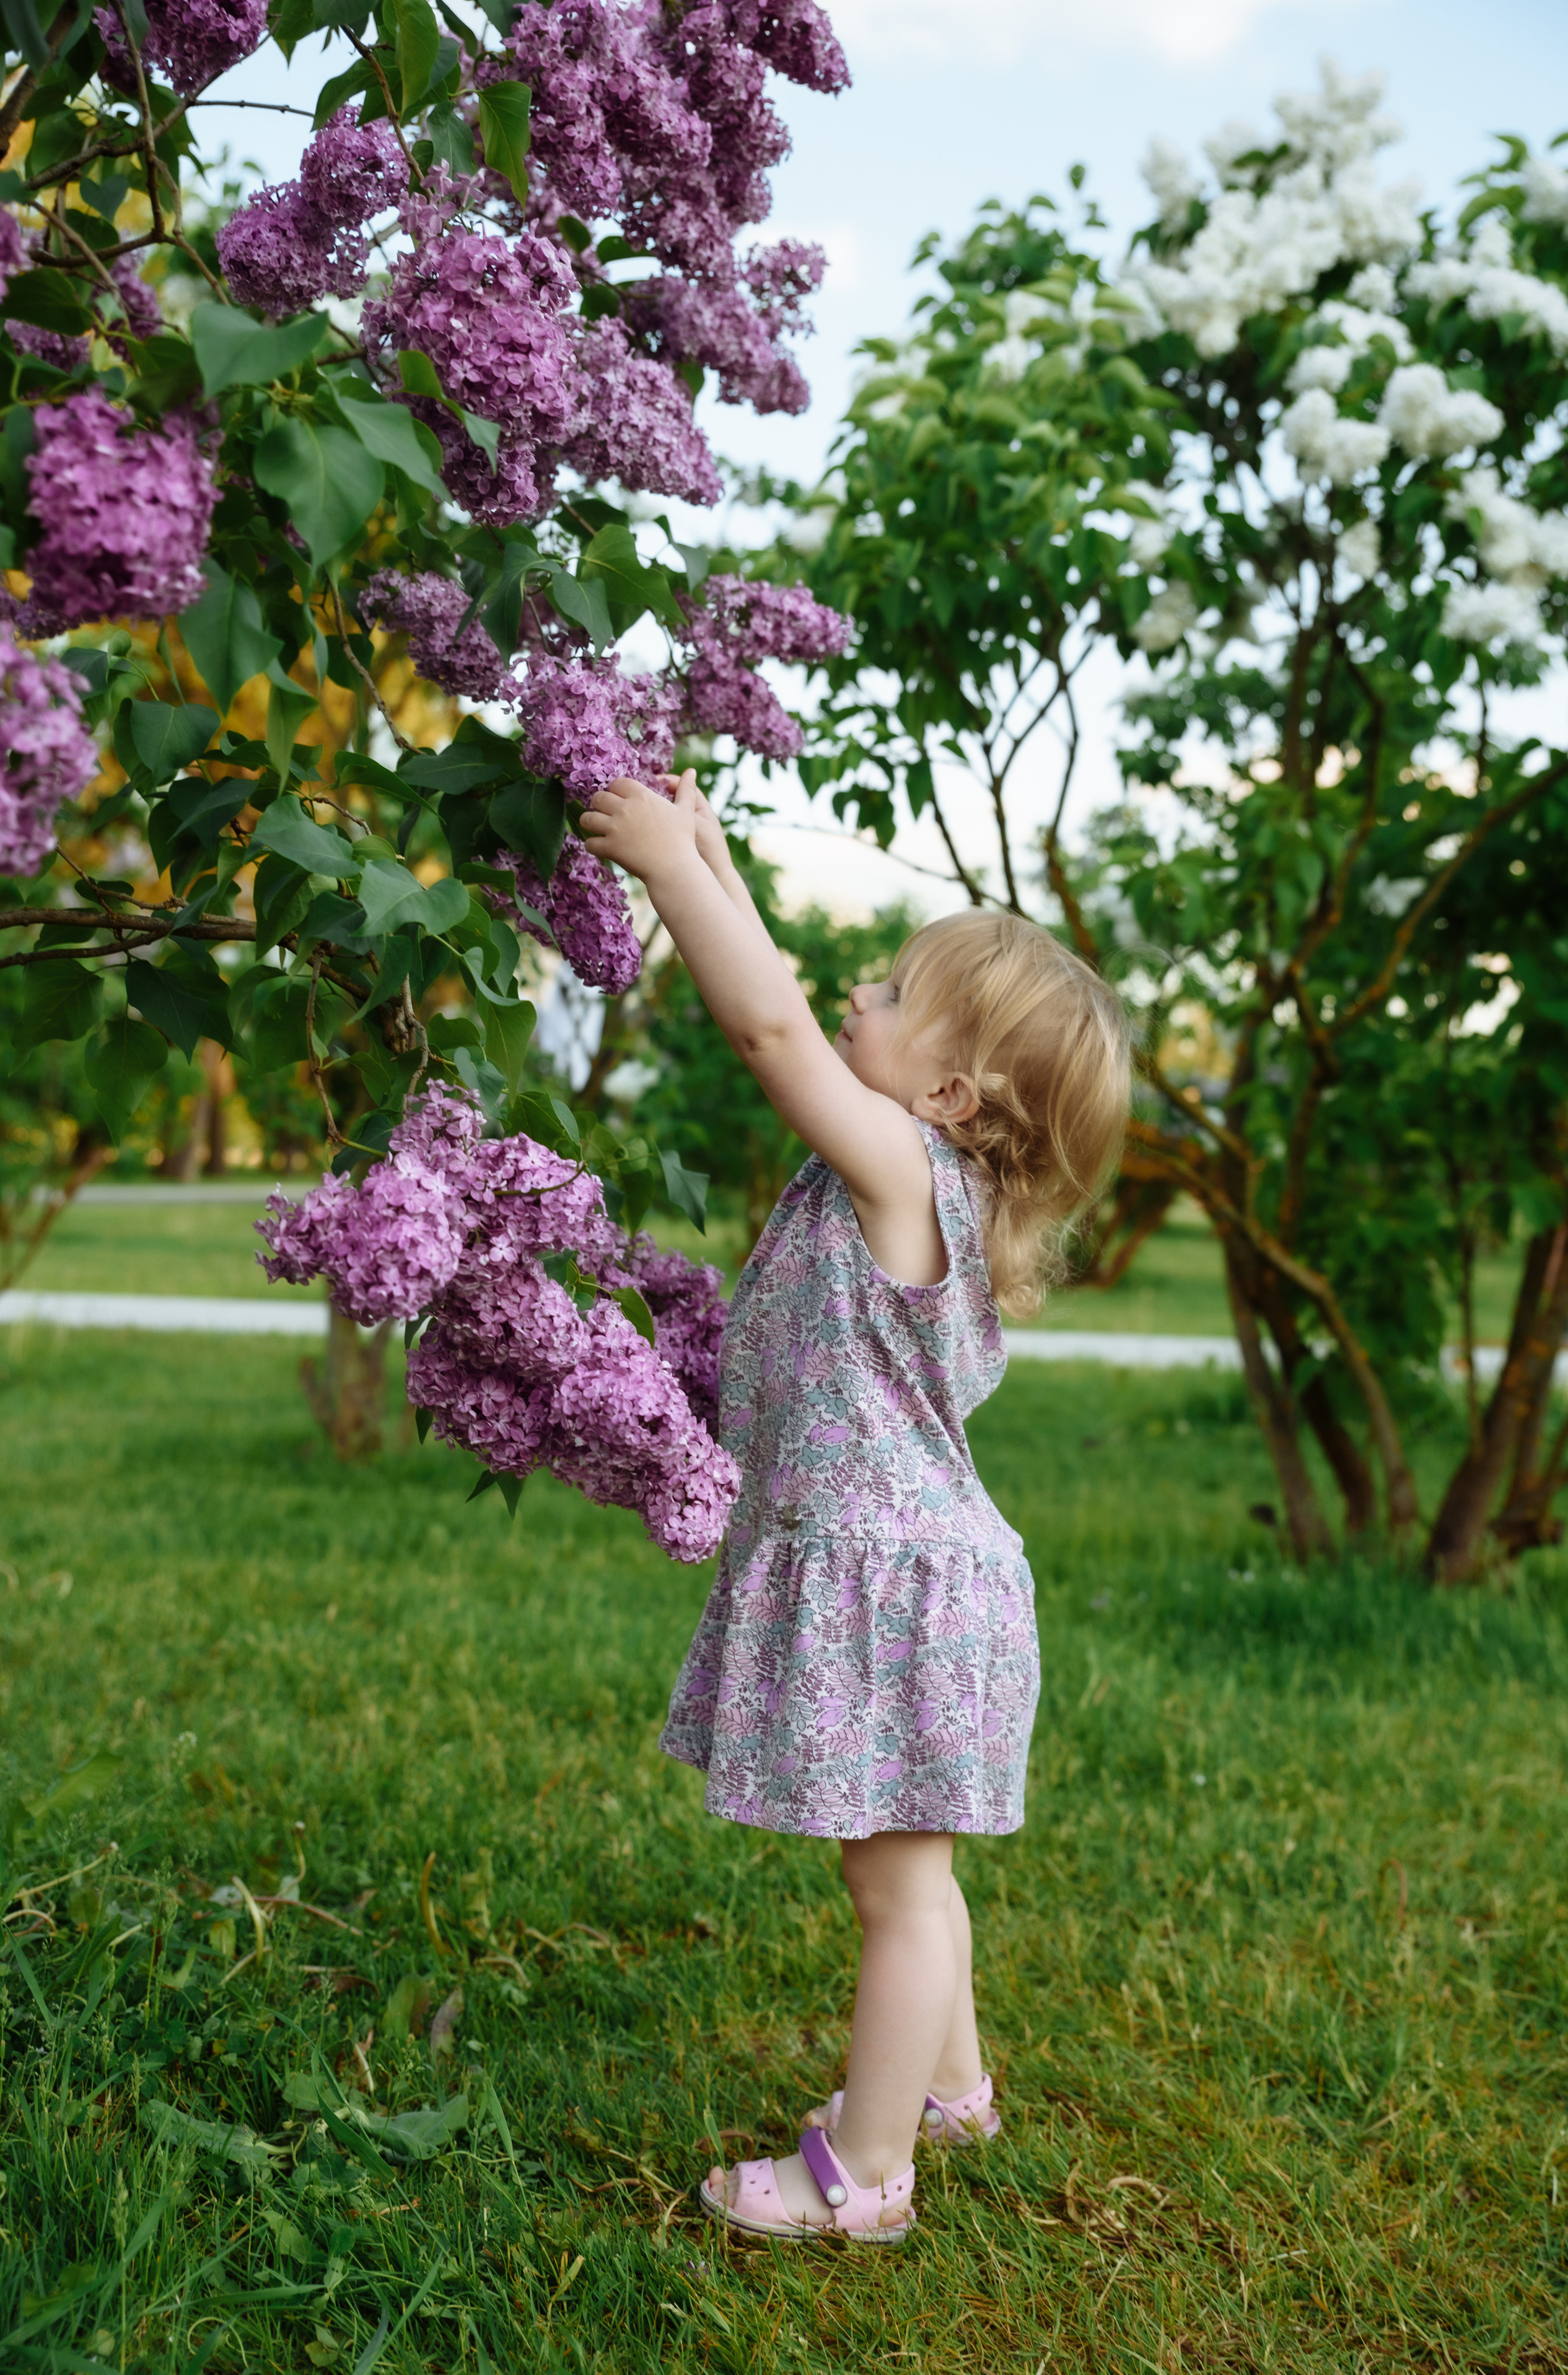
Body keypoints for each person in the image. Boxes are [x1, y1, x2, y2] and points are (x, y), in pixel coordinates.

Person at [579, 766, 1132, 2243]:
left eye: (889, 989)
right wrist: (708, 848)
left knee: (898, 1892)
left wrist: (665, 874)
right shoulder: (907, 1174)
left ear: (948, 1095)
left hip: (900, 1586)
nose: (851, 992)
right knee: (905, 1869)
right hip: (923, 1578)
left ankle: (862, 2178)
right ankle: (951, 2089)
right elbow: (797, 1006)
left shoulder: (900, 1171)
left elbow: (763, 1024)